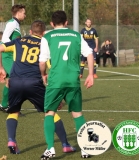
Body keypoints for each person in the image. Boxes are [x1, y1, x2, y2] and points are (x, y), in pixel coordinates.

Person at [0, 20, 75, 154]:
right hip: (34, 83)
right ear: (44, 33)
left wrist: (1, 68)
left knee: (13, 112)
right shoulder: (46, 44)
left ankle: (11, 140)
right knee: (50, 112)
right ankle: (65, 144)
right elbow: (53, 70)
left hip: (15, 82)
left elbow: (1, 48)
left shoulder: (18, 41)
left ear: (30, 32)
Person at [39, 11, 94, 159]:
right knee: (77, 113)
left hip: (55, 81)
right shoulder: (76, 35)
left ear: (51, 23)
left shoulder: (47, 37)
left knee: (50, 113)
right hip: (72, 80)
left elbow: (42, 62)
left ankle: (50, 149)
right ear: (66, 22)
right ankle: (85, 148)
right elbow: (89, 54)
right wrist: (90, 74)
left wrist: (43, 74)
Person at [0, 4, 26, 112]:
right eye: (24, 13)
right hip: (7, 55)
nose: (25, 15)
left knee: (12, 79)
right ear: (18, 13)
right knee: (16, 78)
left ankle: (4, 104)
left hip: (12, 55)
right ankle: (11, 105)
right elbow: (5, 39)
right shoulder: (12, 23)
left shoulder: (16, 24)